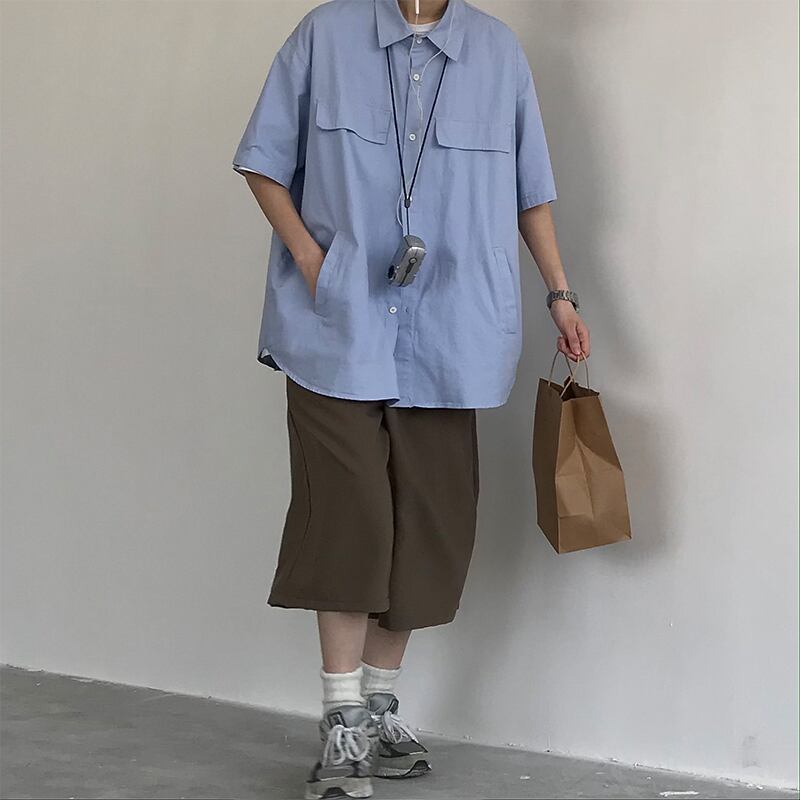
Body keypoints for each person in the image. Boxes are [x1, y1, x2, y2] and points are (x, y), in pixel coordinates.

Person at [232, 0, 590, 796]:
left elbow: (530, 191)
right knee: (347, 517)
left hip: (452, 333)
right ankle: (341, 721)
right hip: (336, 328)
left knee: (429, 521)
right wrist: (313, 263)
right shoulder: (325, 37)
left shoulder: (497, 53)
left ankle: (380, 706)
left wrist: (561, 294)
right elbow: (262, 160)